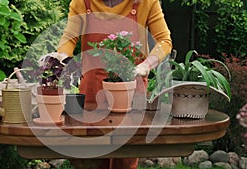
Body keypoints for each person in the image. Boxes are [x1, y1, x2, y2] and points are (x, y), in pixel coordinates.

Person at [55, 0, 172, 168]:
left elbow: (164, 41)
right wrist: (64, 58)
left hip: (131, 89)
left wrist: (146, 65)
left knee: (126, 155)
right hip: (93, 89)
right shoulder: (83, 2)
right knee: (92, 154)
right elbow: (69, 38)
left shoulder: (147, 2)